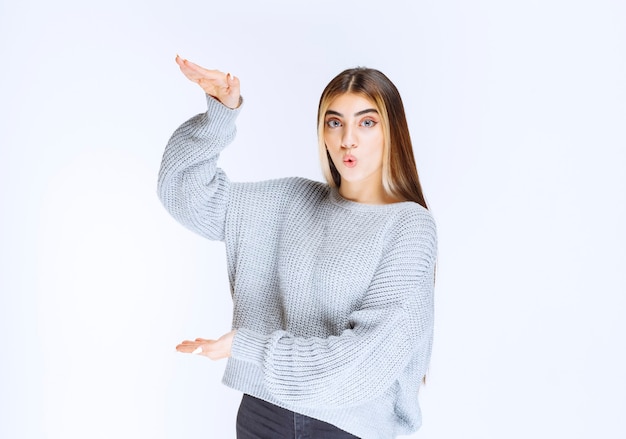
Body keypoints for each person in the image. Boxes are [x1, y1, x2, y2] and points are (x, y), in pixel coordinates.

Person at [158, 56, 437, 439]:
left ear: (392, 132)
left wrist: (250, 347)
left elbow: (362, 362)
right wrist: (219, 115)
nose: (347, 139)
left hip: (344, 425)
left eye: (366, 122)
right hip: (262, 413)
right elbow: (184, 193)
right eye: (334, 122)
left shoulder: (409, 226)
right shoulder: (291, 201)